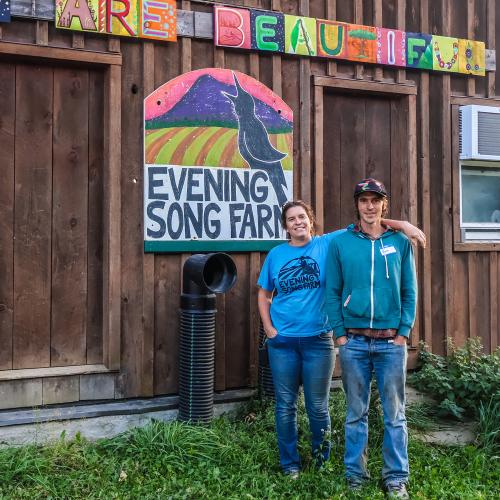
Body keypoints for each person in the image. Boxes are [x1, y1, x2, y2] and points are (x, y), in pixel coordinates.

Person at [257, 199, 424, 479]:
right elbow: (264, 294)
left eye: (302, 217)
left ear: (311, 221)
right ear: (285, 227)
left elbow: (368, 223)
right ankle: (290, 464)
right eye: (291, 219)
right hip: (283, 341)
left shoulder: (328, 244)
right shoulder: (275, 254)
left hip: (318, 340)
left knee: (317, 406)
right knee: (285, 405)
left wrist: (403, 225)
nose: (297, 222)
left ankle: (321, 459)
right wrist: (269, 329)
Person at [325, 178, 418, 499]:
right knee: (355, 413)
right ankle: (355, 475)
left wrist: (404, 332)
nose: (369, 206)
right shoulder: (341, 243)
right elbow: (332, 291)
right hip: (353, 342)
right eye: (364, 200)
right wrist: (339, 335)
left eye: (375, 200)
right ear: (357, 205)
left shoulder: (400, 243)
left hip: (391, 342)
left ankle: (395, 478)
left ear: (383, 204)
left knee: (394, 414)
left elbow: (410, 291)